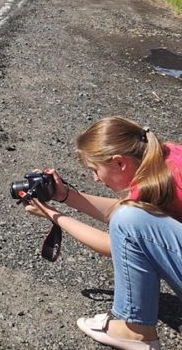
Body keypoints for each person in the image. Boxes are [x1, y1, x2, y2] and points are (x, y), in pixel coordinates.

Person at [23, 117, 182, 350]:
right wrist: (65, 195)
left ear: (120, 163)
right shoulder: (168, 159)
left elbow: (119, 240)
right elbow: (138, 221)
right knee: (129, 218)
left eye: (95, 170)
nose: (95, 179)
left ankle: (133, 332)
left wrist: (52, 214)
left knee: (128, 219)